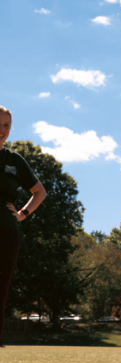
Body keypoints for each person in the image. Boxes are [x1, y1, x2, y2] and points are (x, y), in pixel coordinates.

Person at [0, 106, 47, 347]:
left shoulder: (14, 160)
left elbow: (39, 192)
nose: (1, 130)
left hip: (7, 234)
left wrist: (22, 214)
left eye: (6, 125)